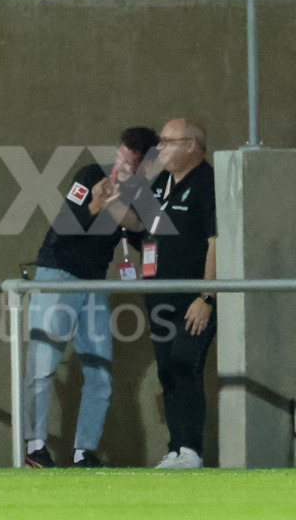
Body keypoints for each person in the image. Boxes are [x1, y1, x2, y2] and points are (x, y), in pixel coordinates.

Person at [22, 127, 159, 469]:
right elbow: (69, 223)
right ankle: (35, 446)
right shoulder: (90, 175)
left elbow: (139, 226)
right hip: (58, 272)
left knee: (99, 369)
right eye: (119, 158)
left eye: (129, 165)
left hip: (94, 281)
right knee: (43, 363)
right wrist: (99, 203)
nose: (119, 168)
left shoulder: (140, 192)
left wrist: (115, 204)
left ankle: (85, 451)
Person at [140, 118, 217, 469]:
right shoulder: (161, 183)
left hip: (192, 300)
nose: (160, 148)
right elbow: (140, 225)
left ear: (191, 146)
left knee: (186, 366)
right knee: (167, 371)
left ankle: (191, 450)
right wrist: (111, 203)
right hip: (159, 297)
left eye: (167, 141)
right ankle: (175, 448)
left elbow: (216, 242)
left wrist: (207, 296)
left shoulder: (207, 183)